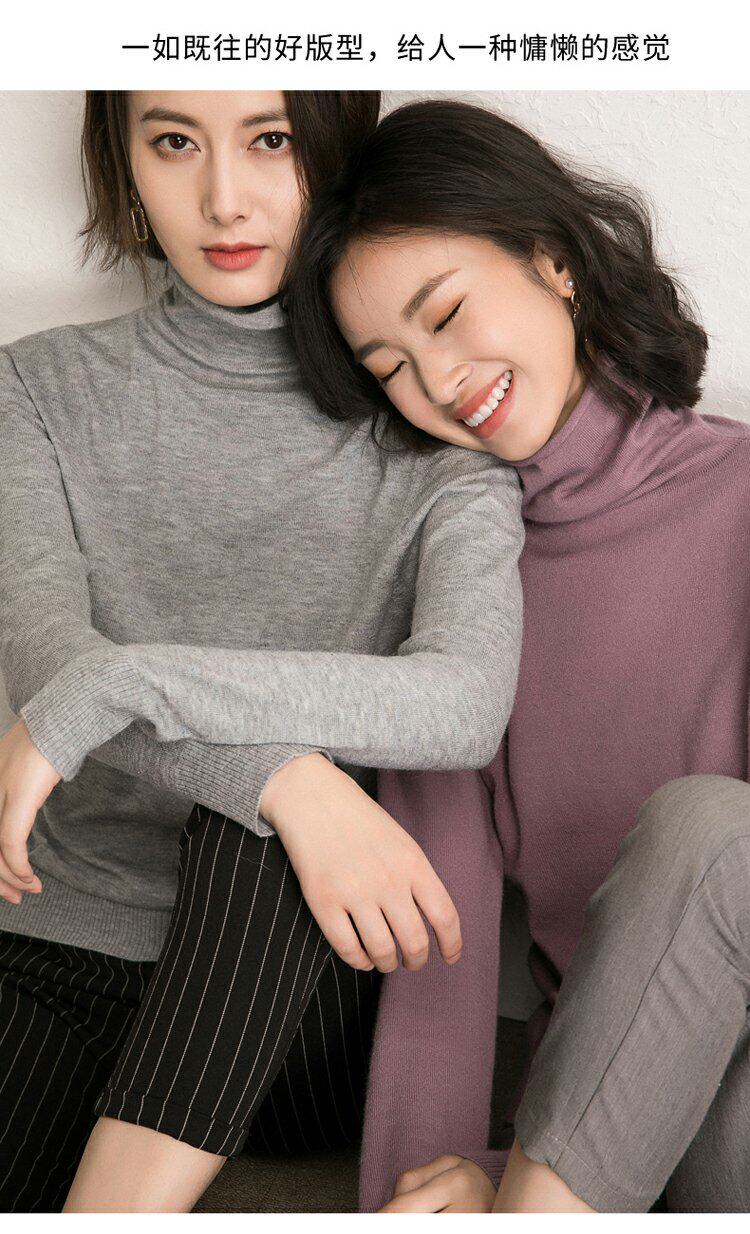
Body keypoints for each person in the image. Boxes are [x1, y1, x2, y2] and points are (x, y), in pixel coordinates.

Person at [0, 91, 524, 1213]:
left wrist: (150, 697)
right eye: (173, 142)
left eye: (272, 141)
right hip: (57, 927)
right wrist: (282, 776)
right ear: (122, 160)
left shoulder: (434, 419)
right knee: (287, 790)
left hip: (310, 985)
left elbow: (464, 702)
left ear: (335, 147)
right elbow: (50, 662)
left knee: (267, 831)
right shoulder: (34, 387)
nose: (224, 199)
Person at [279, 98, 750, 1213]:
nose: (439, 381)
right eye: (390, 366)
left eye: (446, 314)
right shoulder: (458, 599)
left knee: (710, 830)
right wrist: (417, 1194)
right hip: (619, 1140)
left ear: (553, 259)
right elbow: (435, 945)